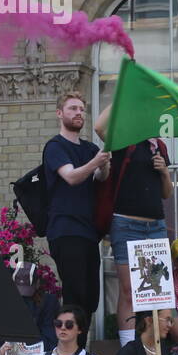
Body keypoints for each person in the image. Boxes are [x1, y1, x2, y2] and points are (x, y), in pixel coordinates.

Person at [95, 102, 172, 346]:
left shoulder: (158, 146)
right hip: (127, 224)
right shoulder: (123, 140)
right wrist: (125, 95)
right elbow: (99, 127)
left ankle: (156, 349)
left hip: (156, 225)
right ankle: (129, 348)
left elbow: (166, 194)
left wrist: (164, 173)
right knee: (129, 290)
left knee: (157, 292)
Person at [45, 91, 110, 324]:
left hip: (88, 231)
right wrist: (95, 163)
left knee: (90, 297)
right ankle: (70, 353)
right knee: (75, 294)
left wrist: (104, 164)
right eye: (73, 108)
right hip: (65, 229)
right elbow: (71, 177)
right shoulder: (55, 147)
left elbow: (101, 179)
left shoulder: (90, 148)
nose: (78, 113)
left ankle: (81, 351)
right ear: (60, 113)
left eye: (82, 109)